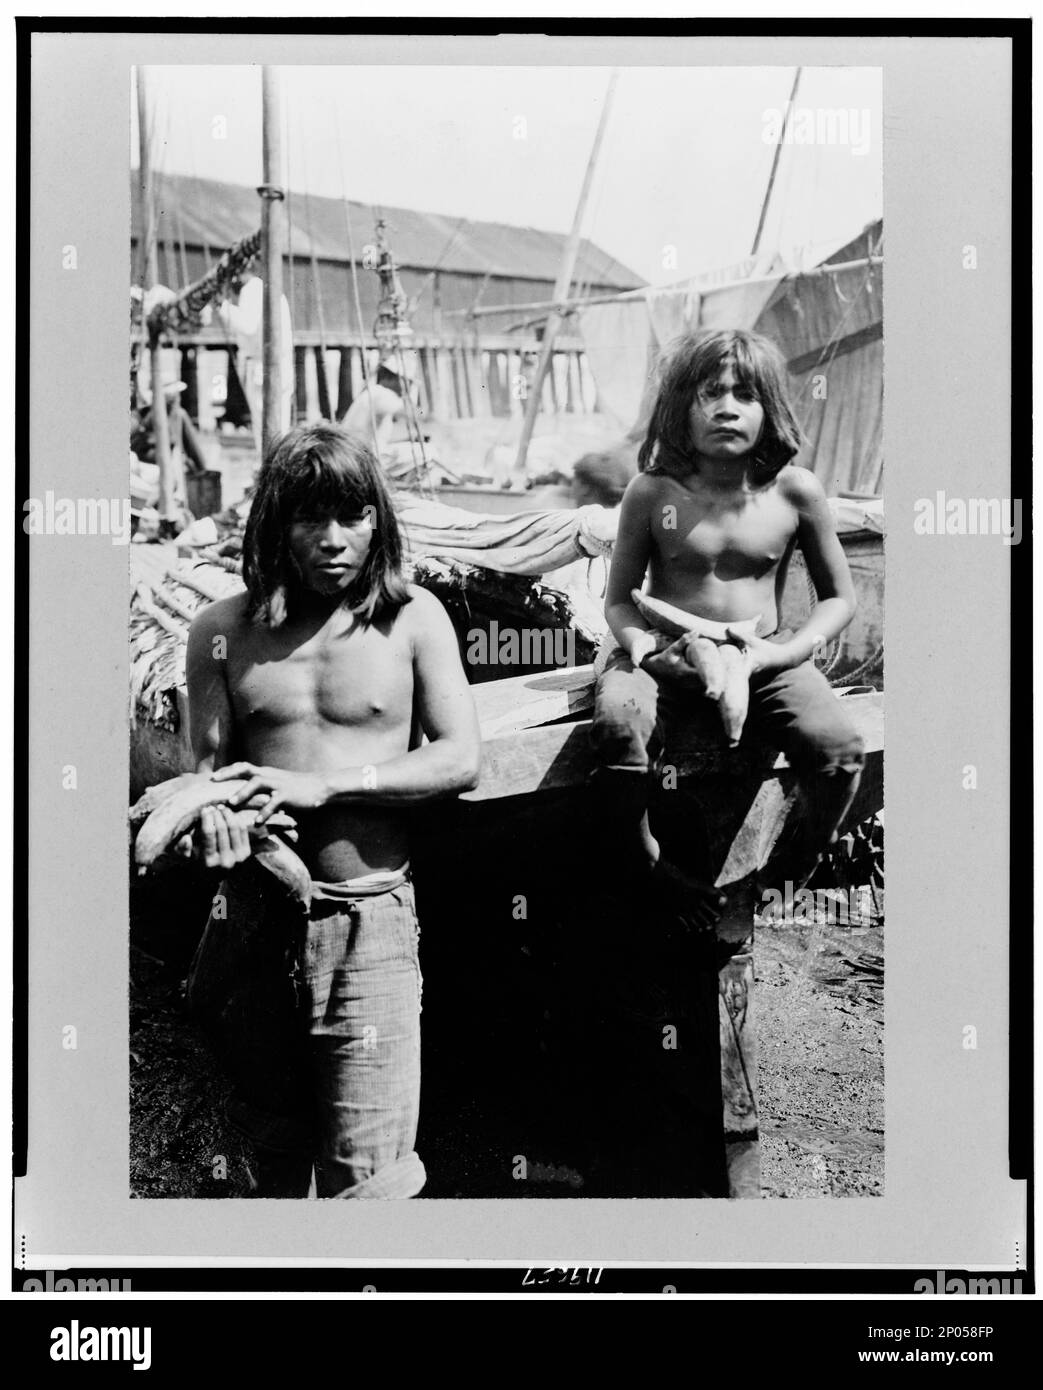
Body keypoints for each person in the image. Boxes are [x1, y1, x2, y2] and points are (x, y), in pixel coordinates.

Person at [184, 422, 482, 1197]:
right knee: (261, 1162)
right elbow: (205, 779)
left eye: (352, 516)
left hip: (367, 925)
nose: (333, 540)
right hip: (250, 919)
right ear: (274, 523)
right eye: (309, 518)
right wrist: (212, 822)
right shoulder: (220, 633)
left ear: (377, 520)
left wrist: (330, 785)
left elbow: (457, 757)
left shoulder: (412, 619)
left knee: (371, 1178)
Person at [590, 328, 865, 926]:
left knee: (840, 750)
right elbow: (618, 603)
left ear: (770, 410)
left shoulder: (797, 491)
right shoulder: (651, 492)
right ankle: (652, 869)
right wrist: (642, 647)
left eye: (745, 393)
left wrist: (786, 653)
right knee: (618, 726)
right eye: (709, 393)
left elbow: (838, 600)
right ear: (679, 409)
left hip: (761, 660)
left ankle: (778, 881)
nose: (726, 406)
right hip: (662, 655)